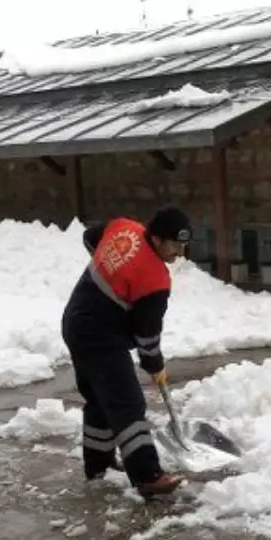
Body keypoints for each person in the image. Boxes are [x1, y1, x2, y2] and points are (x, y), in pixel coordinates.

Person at [60, 205, 192, 499]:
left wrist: (113, 272)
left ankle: (99, 467)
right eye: (174, 245)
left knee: (99, 400)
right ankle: (148, 477)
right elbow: (147, 335)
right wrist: (154, 364)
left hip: (75, 321)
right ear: (156, 239)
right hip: (100, 336)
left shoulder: (123, 227)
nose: (179, 253)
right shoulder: (154, 279)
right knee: (127, 403)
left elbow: (90, 237)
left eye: (183, 245)